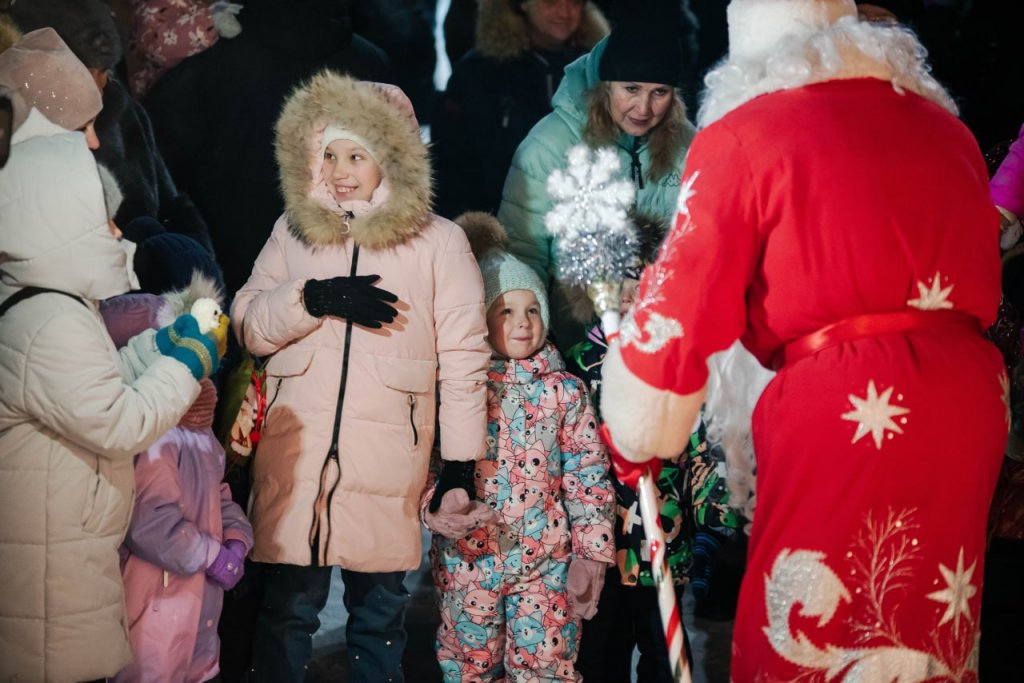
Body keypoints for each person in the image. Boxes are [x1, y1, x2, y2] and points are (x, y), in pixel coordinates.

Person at [599, 1, 1007, 679]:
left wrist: (636, 428)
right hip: (968, 400)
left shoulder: (748, 131)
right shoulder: (945, 128)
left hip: (846, 397)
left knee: (807, 620)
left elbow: (684, 299)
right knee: (932, 612)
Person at [231, 71, 490, 682]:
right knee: (287, 613)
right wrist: (311, 298)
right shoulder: (293, 232)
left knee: (378, 618)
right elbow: (247, 322)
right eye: (330, 154)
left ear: (392, 159)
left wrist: (459, 466)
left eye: (357, 155)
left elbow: (464, 360)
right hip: (297, 459)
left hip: (386, 463)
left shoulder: (439, 243)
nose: (340, 170)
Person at [0, 28, 221, 683]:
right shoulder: (50, 320)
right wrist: (187, 360)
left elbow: (93, 384)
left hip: (62, 544)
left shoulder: (54, 305)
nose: (117, 231)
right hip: (51, 571)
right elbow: (118, 422)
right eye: (101, 217)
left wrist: (158, 346)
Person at [421, 212, 615, 681]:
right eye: (505, 311)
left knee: (545, 670)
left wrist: (592, 554)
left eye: (532, 310)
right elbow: (426, 466)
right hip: (469, 564)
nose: (523, 323)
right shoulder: (457, 389)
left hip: (546, 565)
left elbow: (587, 476)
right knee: (468, 667)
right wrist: (432, 508)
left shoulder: (564, 392)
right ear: (481, 318)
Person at [563, 222, 738, 682]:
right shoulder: (577, 364)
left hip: (663, 540)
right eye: (613, 280)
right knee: (600, 657)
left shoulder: (673, 358)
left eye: (636, 278)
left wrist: (714, 514)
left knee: (664, 657)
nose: (625, 293)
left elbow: (700, 446)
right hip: (599, 546)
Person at [143, 0, 391, 294]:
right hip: (340, 269)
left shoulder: (209, 63)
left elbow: (160, 169)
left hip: (234, 268)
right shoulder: (371, 62)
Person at [496, 11, 695, 351]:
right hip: (570, 342)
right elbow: (522, 252)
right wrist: (537, 350)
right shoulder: (548, 147)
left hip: (667, 338)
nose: (643, 108)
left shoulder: (689, 146)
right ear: (605, 85)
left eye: (659, 92)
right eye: (631, 89)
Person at [100, 284, 253, 683]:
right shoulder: (154, 439)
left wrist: (236, 537)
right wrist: (210, 555)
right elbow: (149, 522)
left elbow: (220, 496)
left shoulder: (201, 437)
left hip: (199, 614)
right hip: (153, 609)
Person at [7, 0, 218, 256]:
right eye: (87, 70)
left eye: (105, 69)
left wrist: (190, 254)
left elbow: (169, 199)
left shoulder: (122, 107)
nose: (101, 82)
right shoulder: (28, 148)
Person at [430, 0, 609, 219]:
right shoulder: (479, 72)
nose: (564, 12)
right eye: (551, 2)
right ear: (523, 3)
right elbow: (452, 166)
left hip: (588, 218)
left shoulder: (600, 68)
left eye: (575, 2)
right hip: (502, 219)